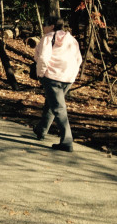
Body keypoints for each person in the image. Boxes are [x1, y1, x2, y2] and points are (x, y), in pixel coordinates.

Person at [32, 14, 82, 152]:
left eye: (45, 24)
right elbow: (79, 60)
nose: (43, 27)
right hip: (68, 78)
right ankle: (41, 129)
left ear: (52, 26)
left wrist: (40, 74)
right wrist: (72, 75)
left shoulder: (48, 38)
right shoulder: (72, 39)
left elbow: (43, 58)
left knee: (58, 108)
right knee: (52, 103)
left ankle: (66, 141)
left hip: (52, 76)